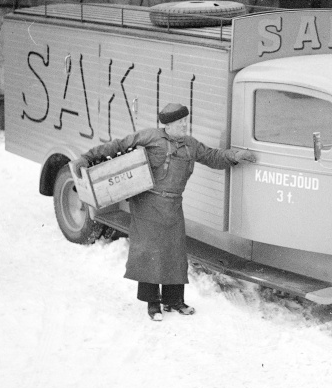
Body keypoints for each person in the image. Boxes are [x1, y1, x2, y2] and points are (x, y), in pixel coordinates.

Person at [72, 103, 257, 322]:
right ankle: (153, 304)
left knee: (175, 252)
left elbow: (213, 156)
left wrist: (235, 155)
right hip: (147, 203)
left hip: (173, 205)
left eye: (185, 121)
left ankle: (174, 301)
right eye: (180, 122)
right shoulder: (150, 137)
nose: (184, 125)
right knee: (150, 253)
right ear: (168, 125)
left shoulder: (190, 145)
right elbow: (118, 145)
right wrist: (86, 157)